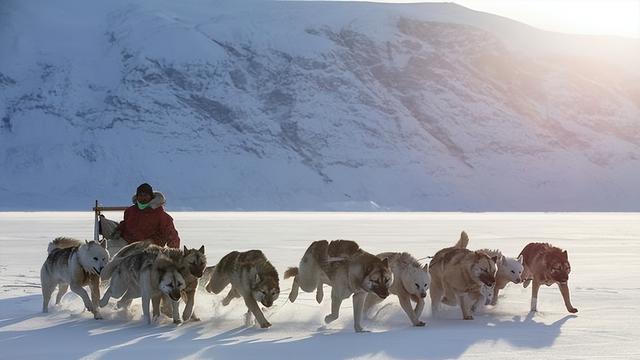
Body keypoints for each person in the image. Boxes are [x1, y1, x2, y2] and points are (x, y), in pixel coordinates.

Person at [116, 183, 181, 249]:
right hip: (129, 246)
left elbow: (172, 235)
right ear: (137, 197)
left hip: (151, 251)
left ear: (151, 197)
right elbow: (125, 224)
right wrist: (119, 230)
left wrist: (174, 252)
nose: (142, 197)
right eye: (140, 195)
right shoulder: (130, 211)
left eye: (145, 195)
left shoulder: (161, 215)